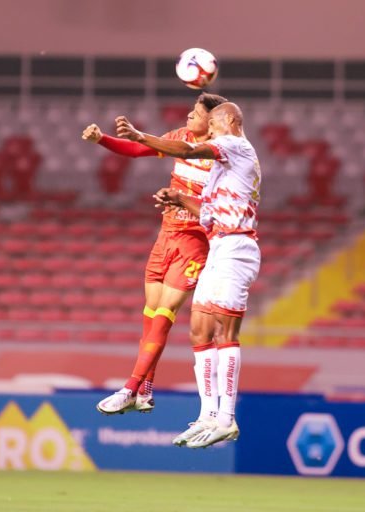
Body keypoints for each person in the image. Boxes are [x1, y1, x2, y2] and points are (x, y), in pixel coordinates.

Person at [116, 102, 261, 448]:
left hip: (238, 248)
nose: (209, 129)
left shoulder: (236, 145)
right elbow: (209, 210)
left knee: (225, 329)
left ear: (228, 121)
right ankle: (208, 415)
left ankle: (226, 418)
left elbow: (186, 149)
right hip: (218, 245)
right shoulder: (223, 170)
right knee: (199, 327)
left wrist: (140, 137)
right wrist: (180, 198)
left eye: (213, 123)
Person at [82, 93, 227, 414]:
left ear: (212, 122)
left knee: (163, 318)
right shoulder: (179, 137)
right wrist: (101, 139)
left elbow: (221, 209)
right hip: (166, 237)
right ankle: (145, 391)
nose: (189, 116)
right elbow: (137, 149)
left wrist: (180, 199)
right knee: (150, 318)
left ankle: (130, 387)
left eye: (195, 113)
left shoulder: (222, 153)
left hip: (195, 243)